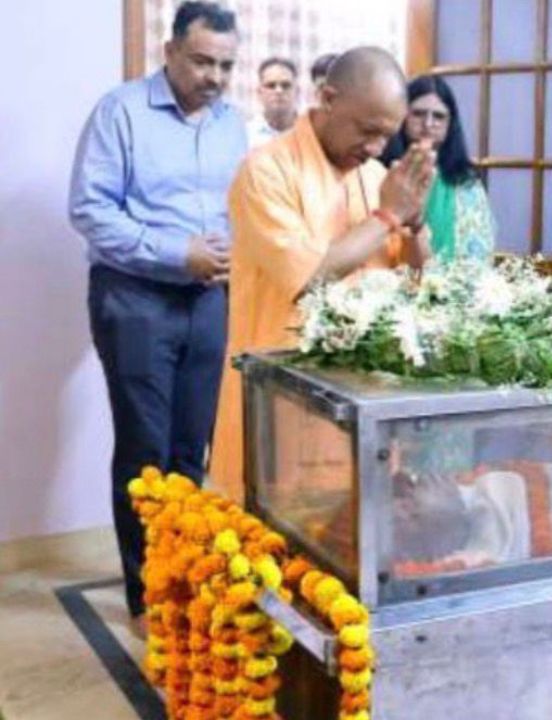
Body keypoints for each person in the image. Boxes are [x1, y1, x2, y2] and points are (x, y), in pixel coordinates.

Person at [67, 0, 246, 625]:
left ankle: (184, 582)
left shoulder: (234, 124)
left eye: (225, 65)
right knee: (145, 452)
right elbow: (90, 210)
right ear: (169, 52)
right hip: (134, 297)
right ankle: (148, 597)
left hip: (207, 301)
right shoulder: (121, 112)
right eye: (201, 61)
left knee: (190, 452)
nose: (214, 77)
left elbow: (241, 207)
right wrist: (179, 253)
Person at [209, 47, 436, 497]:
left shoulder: (375, 177)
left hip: (361, 402)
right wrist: (389, 216)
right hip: (282, 400)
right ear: (328, 98)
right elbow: (309, 279)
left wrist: (414, 225)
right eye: (367, 130)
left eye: (385, 137)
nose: (374, 148)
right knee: (267, 557)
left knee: (352, 552)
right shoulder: (266, 171)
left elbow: (415, 286)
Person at [380, 75, 495, 262]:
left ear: (451, 124)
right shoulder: (380, 172)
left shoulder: (465, 182)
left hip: (449, 287)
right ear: (402, 116)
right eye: (418, 114)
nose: (428, 124)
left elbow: (477, 253)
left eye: (438, 116)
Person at [246, 57, 299, 147]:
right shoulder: (245, 136)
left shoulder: (313, 135)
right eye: (271, 85)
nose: (279, 91)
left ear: (297, 92)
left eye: (285, 85)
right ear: (259, 93)